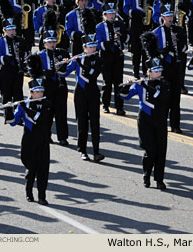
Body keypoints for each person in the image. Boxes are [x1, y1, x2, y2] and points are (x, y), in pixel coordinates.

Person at [120, 32, 170, 190]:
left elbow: (159, 96)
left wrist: (145, 84)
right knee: (151, 151)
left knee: (161, 152)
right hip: (145, 120)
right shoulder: (141, 84)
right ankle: (146, 174)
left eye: (159, 70)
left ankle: (159, 179)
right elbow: (124, 97)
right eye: (155, 71)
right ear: (148, 72)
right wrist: (127, 85)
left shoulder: (164, 84)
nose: (158, 73)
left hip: (160, 119)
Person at [5, 54, 51, 205]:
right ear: (31, 93)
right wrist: (10, 109)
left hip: (43, 140)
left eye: (41, 91)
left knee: (43, 169)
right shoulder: (24, 104)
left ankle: (42, 196)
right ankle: (29, 192)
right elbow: (12, 122)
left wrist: (24, 107)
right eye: (36, 92)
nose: (39, 94)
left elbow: (38, 118)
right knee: (31, 169)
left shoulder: (46, 104)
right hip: (29, 139)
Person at [61, 8, 105, 162]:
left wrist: (79, 62)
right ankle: (82, 150)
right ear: (84, 48)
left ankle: (96, 151)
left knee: (95, 122)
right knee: (82, 122)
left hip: (92, 91)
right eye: (90, 47)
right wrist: (64, 64)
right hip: (80, 92)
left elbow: (92, 74)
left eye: (94, 46)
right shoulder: (78, 58)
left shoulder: (97, 60)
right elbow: (65, 74)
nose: (93, 49)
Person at [152, 0, 187, 133]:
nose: (170, 18)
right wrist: (165, 51)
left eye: (171, 16)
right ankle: (161, 122)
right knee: (164, 96)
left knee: (175, 97)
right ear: (162, 17)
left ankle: (175, 124)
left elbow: (184, 46)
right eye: (167, 16)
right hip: (164, 67)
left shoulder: (178, 30)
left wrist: (178, 46)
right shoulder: (156, 32)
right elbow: (154, 52)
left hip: (176, 66)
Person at [38, 9, 70, 146]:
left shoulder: (61, 52)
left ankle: (63, 137)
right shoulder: (39, 56)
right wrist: (48, 72)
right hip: (47, 86)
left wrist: (65, 64)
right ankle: (46, 135)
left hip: (60, 85)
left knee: (61, 112)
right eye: (49, 42)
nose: (52, 44)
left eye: (53, 41)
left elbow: (67, 71)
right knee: (47, 113)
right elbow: (36, 72)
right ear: (44, 43)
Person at [0, 0, 26, 124]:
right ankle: (8, 116)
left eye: (13, 29)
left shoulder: (19, 40)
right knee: (6, 94)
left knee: (18, 94)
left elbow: (24, 53)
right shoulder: (0, 42)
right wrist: (5, 58)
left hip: (17, 70)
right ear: (5, 30)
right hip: (6, 70)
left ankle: (19, 116)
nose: (12, 31)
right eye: (9, 29)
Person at [96, 0, 129, 115]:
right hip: (106, 56)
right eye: (109, 14)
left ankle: (119, 107)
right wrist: (110, 42)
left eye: (113, 13)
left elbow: (128, 38)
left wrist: (122, 37)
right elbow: (98, 44)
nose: (111, 16)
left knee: (118, 82)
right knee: (107, 82)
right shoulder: (100, 27)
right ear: (104, 15)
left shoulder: (120, 24)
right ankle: (105, 105)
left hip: (118, 56)